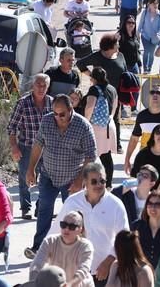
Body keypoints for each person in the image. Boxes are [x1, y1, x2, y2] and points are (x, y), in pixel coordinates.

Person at [24, 95, 97, 260]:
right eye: (55, 113)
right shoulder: (47, 121)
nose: (57, 118)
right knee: (44, 210)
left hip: (72, 178)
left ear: (71, 110)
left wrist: (80, 180)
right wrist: (31, 169)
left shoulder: (83, 126)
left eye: (62, 114)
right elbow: (38, 145)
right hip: (48, 175)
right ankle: (39, 248)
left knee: (73, 217)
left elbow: (91, 155)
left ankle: (76, 249)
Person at [53, 162, 130, 287]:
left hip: (104, 272)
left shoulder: (116, 205)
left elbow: (124, 239)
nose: (99, 185)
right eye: (94, 181)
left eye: (102, 181)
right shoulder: (72, 203)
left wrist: (109, 261)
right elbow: (55, 232)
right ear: (85, 183)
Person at [7, 73, 53, 219]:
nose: (41, 88)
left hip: (47, 149)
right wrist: (14, 147)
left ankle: (41, 208)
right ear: (33, 86)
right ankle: (25, 208)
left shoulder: (52, 103)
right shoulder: (23, 103)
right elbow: (12, 127)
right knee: (24, 178)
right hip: (27, 146)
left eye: (44, 85)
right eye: (38, 85)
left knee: (47, 179)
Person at [76, 34, 128, 153]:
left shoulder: (120, 55)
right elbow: (80, 64)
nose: (118, 45)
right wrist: (93, 76)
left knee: (115, 118)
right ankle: (93, 143)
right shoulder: (97, 56)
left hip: (114, 92)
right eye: (116, 44)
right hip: (99, 94)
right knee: (97, 120)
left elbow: (125, 71)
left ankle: (116, 144)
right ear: (110, 46)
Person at [28, 211, 93, 287]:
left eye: (72, 226)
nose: (66, 229)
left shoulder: (86, 246)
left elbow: (83, 270)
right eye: (63, 225)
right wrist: (34, 283)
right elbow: (36, 265)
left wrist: (70, 284)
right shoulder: (50, 241)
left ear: (80, 230)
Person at [85, 67, 119, 187]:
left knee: (90, 156)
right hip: (109, 125)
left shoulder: (94, 89)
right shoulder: (112, 89)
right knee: (106, 156)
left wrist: (86, 122)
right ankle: (108, 184)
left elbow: (90, 107)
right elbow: (114, 108)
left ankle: (89, 182)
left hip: (96, 127)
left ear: (93, 78)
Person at [130, 190, 160, 269]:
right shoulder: (136, 226)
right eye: (150, 204)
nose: (153, 207)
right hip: (139, 274)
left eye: (157, 204)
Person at [139, 0, 160, 74]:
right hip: (145, 36)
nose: (155, 5)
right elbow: (141, 23)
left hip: (155, 38)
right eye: (153, 4)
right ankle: (145, 68)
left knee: (151, 53)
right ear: (149, 5)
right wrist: (137, 32)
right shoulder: (145, 12)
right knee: (147, 51)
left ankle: (149, 68)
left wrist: (158, 34)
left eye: (156, 4)